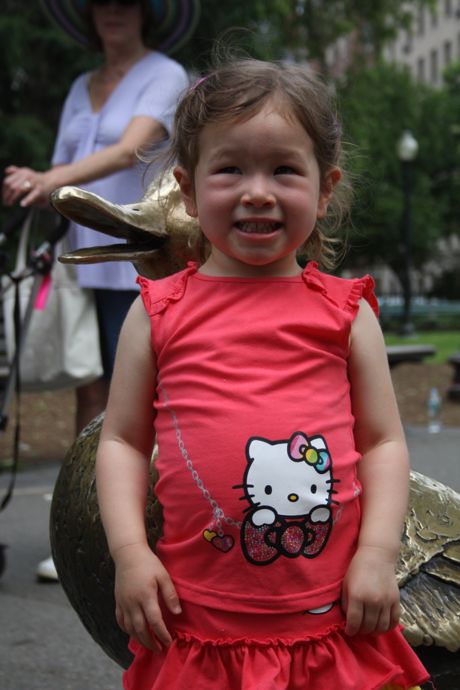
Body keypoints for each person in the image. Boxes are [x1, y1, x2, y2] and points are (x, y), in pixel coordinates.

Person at [95, 59, 430, 690]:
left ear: (324, 188)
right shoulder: (158, 311)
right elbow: (122, 441)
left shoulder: (345, 312)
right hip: (198, 623)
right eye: (230, 169)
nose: (257, 191)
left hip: (333, 621)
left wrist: (380, 556)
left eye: (283, 169)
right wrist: (130, 553)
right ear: (188, 190)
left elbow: (384, 441)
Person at [2, 0, 191, 581]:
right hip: (79, 260)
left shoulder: (164, 73)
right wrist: (36, 188)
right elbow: (63, 164)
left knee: (138, 399)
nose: (112, 11)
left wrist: (48, 180)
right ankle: (86, 533)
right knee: (91, 397)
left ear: (145, 13)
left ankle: (156, 533)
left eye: (124, 2)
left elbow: (127, 150)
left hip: (136, 261)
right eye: (101, 3)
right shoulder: (82, 84)